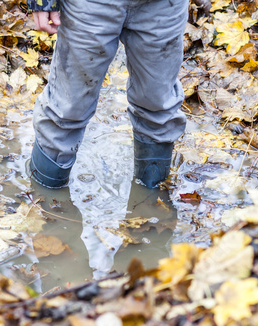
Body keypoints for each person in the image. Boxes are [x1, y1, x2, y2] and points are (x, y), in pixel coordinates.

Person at [26, 0, 189, 189]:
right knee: (67, 109)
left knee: (159, 106)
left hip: (163, 6)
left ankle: (153, 203)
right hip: (90, 4)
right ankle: (42, 203)